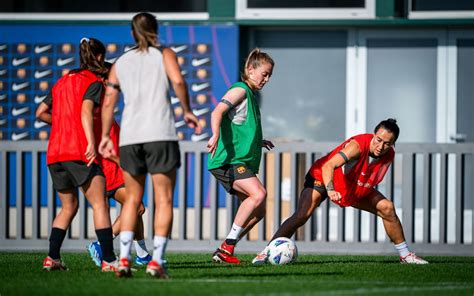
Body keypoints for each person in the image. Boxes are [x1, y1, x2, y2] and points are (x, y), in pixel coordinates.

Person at [99, 12, 201, 278]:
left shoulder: (121, 62)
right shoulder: (164, 54)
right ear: (156, 31)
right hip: (160, 134)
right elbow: (178, 80)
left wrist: (105, 137)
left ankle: (123, 259)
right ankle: (156, 260)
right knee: (164, 199)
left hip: (130, 138)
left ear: (133, 33)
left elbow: (109, 100)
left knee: (132, 199)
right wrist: (187, 110)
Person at [252, 118, 429, 265]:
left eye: (387, 143)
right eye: (378, 139)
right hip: (322, 177)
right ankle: (266, 252)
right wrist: (330, 189)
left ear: (393, 144)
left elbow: (365, 178)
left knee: (387, 208)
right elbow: (329, 165)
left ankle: (405, 256)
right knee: (301, 215)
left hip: (350, 187)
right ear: (373, 135)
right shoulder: (357, 146)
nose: (380, 146)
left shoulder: (388, 155)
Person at [36, 37, 117, 272]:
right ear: (100, 57)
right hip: (78, 150)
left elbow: (41, 112)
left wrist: (62, 124)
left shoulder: (61, 82)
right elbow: (86, 110)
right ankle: (110, 261)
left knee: (68, 206)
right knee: (100, 204)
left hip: (55, 153)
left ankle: (52, 258)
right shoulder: (93, 82)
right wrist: (91, 142)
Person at [207, 48, 275, 264]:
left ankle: (225, 248)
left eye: (269, 75)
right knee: (259, 194)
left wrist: (258, 141)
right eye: (264, 73)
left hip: (240, 161)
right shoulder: (241, 89)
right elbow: (217, 111)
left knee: (259, 210)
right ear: (250, 69)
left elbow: (238, 125)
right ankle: (227, 247)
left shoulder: (251, 96)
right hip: (229, 161)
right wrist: (215, 134)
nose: (266, 79)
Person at [87, 63, 152, 268]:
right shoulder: (98, 110)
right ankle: (100, 244)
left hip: (113, 168)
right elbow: (107, 148)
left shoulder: (104, 109)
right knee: (137, 206)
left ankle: (142, 254)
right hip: (109, 170)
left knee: (134, 205)